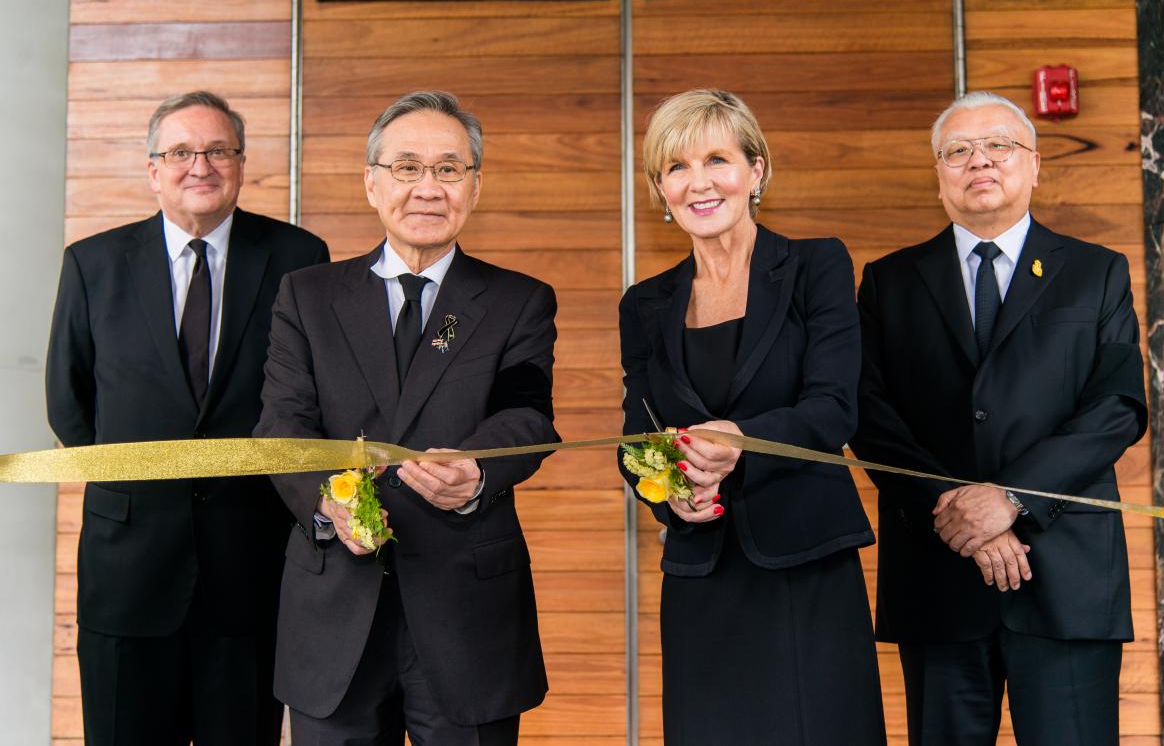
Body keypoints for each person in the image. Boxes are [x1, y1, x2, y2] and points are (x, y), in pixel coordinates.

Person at [254, 90, 558, 745]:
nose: (428, 187)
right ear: (371, 182)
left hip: (466, 614)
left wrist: (476, 471)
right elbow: (282, 426)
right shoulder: (307, 295)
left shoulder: (519, 301)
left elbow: (527, 416)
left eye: (449, 169)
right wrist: (328, 502)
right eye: (407, 167)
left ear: (474, 185)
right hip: (333, 602)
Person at [851, 91, 1147, 746]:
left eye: (998, 146)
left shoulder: (1096, 273)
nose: (978, 160)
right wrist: (962, 514)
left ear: (1035, 166)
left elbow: (1116, 408)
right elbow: (871, 419)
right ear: (939, 174)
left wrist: (1011, 498)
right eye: (957, 150)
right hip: (938, 575)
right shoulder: (889, 282)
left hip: (1066, 578)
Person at [45, 90, 330, 746]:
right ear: (153, 169)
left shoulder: (298, 258)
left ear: (240, 162)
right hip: (129, 570)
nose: (199, 165)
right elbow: (69, 400)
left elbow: (314, 397)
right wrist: (139, 480)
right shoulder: (92, 264)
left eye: (217, 150)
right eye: (180, 151)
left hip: (250, 565)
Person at [618, 89, 885, 746]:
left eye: (717, 159)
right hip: (702, 577)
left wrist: (742, 441)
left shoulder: (814, 266)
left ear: (756, 169)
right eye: (676, 167)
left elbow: (833, 408)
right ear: (659, 186)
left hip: (806, 565)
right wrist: (672, 493)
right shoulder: (644, 303)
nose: (698, 182)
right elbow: (635, 440)